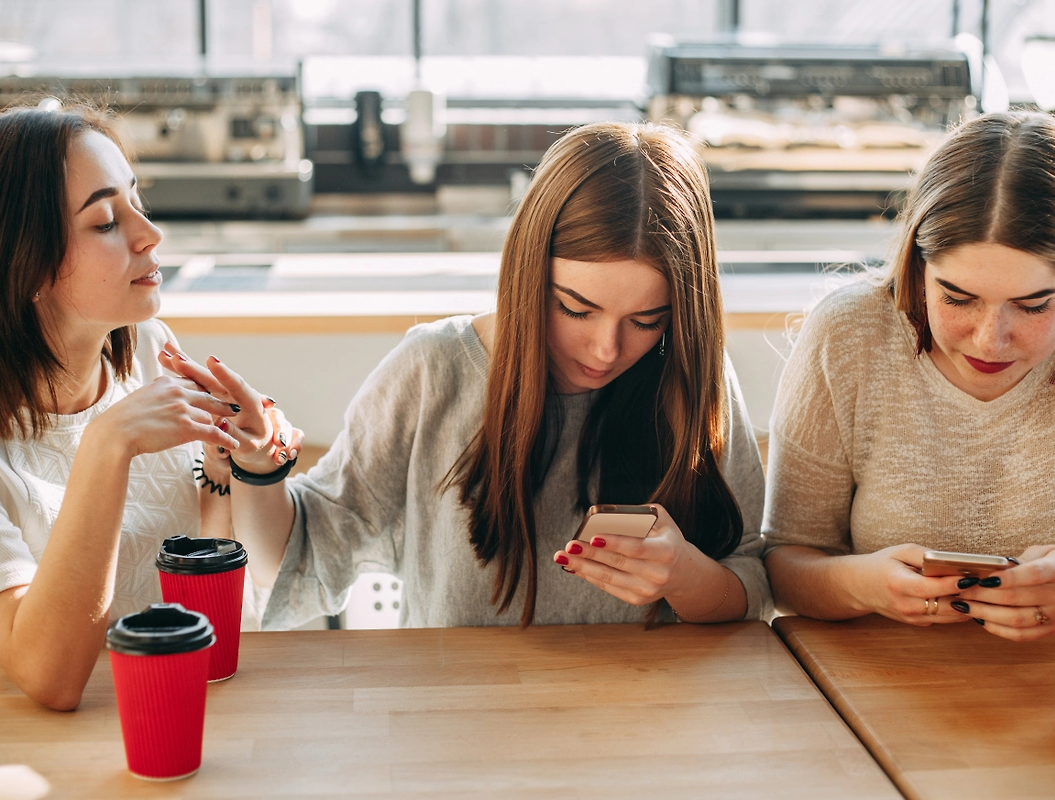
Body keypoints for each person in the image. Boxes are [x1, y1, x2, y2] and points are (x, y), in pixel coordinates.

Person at [167, 121, 772, 628]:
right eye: (574, 308)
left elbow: (750, 582)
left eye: (646, 320)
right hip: (457, 729)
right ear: (526, 272)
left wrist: (687, 576)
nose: (607, 349)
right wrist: (257, 468)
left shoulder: (693, 375)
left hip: (647, 725)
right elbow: (300, 563)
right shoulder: (434, 371)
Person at [0, 106, 299, 710]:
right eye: (104, 221)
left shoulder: (149, 351)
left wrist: (239, 468)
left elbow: (207, 559)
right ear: (20, 265)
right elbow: (50, 677)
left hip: (179, 707)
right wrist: (106, 446)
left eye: (135, 201)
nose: (150, 233)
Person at [762, 111, 1055, 641]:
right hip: (875, 688)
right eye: (956, 298)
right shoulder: (848, 334)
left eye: (1032, 306)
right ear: (916, 269)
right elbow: (784, 565)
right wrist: (864, 585)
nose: (989, 339)